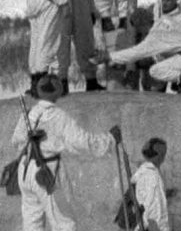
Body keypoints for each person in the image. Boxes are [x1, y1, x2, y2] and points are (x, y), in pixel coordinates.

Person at [11, 74, 121, 231]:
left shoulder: (29, 113)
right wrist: (110, 139)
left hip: (25, 169)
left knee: (31, 223)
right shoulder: (58, 116)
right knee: (64, 223)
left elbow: (16, 140)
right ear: (58, 92)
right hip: (46, 170)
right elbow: (83, 142)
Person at [96, 0, 181, 96]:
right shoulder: (165, 21)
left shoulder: (155, 35)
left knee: (155, 71)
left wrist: (110, 56)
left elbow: (135, 52)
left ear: (141, 25)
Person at [131, 137, 171, 231]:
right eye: (163, 154)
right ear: (159, 155)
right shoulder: (152, 175)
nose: (163, 157)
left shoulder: (145, 172)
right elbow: (154, 207)